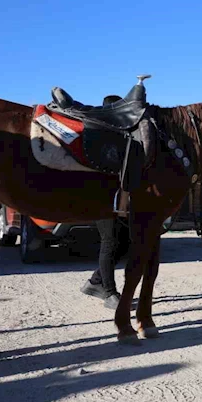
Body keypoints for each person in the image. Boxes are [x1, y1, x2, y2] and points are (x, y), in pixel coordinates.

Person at [79, 94, 131, 310]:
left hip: (119, 198)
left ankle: (95, 282)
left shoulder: (118, 135)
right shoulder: (98, 135)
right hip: (101, 197)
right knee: (109, 241)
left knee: (124, 242)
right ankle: (109, 293)